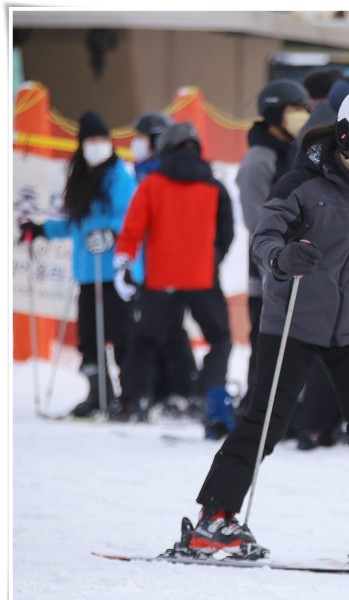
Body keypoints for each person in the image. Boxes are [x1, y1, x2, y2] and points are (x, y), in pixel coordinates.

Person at [180, 85, 349, 562]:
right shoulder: (299, 185)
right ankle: (215, 519)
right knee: (265, 421)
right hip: (293, 321)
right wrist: (282, 259)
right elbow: (265, 238)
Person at [112, 121, 235, 434]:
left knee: (145, 340)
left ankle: (133, 401)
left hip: (161, 277)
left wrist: (124, 262)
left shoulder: (152, 184)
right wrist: (213, 258)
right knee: (219, 339)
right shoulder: (213, 184)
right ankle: (206, 397)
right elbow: (226, 231)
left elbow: (133, 226)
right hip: (202, 275)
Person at [19, 110, 137, 418]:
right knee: (88, 337)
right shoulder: (80, 178)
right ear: (82, 144)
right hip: (87, 272)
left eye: (103, 139)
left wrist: (111, 233)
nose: (98, 145)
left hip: (114, 271)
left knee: (121, 334)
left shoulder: (118, 175)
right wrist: (42, 228)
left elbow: (129, 215)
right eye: (92, 140)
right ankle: (99, 394)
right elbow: (73, 223)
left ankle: (130, 397)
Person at [237, 79, 311, 417]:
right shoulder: (259, 158)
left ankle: (288, 408)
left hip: (297, 264)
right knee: (267, 342)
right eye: (294, 109)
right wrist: (275, 258)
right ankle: (257, 408)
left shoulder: (295, 154)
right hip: (269, 268)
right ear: (274, 112)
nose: (302, 115)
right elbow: (257, 221)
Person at [124, 111, 197, 416]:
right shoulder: (140, 173)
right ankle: (159, 390)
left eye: (141, 137)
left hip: (165, 266)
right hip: (144, 267)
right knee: (154, 330)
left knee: (168, 330)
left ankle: (179, 391)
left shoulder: (164, 175)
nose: (135, 144)